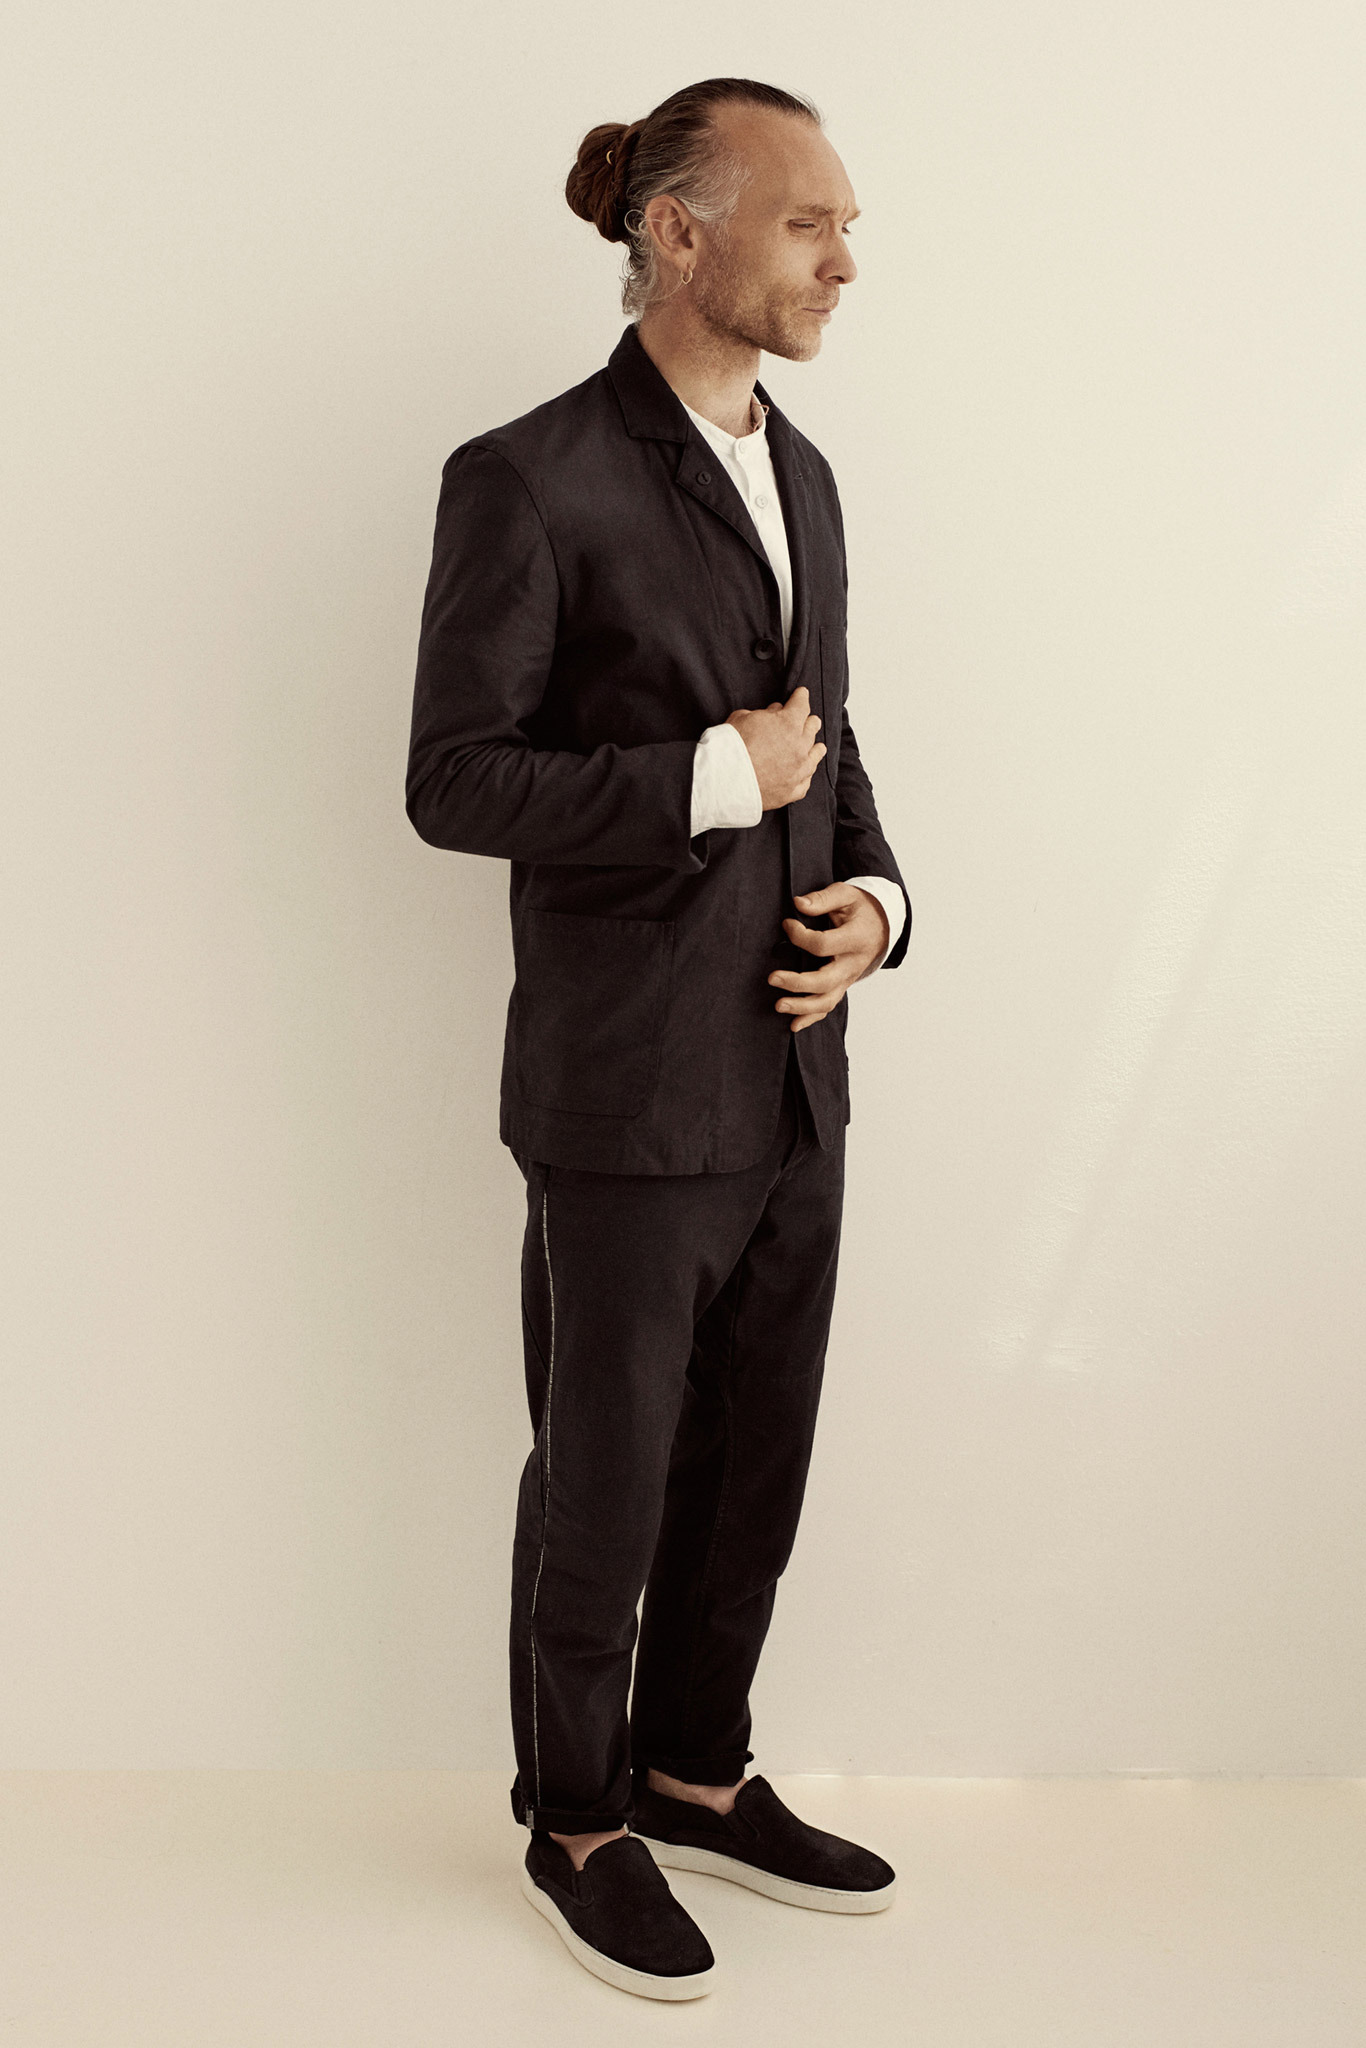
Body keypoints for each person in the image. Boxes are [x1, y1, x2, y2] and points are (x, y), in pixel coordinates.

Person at [406, 75, 911, 2001]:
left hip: (791, 1070)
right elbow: (455, 779)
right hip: (623, 1086)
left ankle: (697, 1772)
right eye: (808, 222)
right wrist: (708, 777)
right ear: (679, 235)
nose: (842, 262)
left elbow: (824, 736)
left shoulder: (808, 473)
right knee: (604, 1476)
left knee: (752, 1460)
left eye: (848, 226)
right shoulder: (526, 476)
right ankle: (576, 1817)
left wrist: (877, 903)